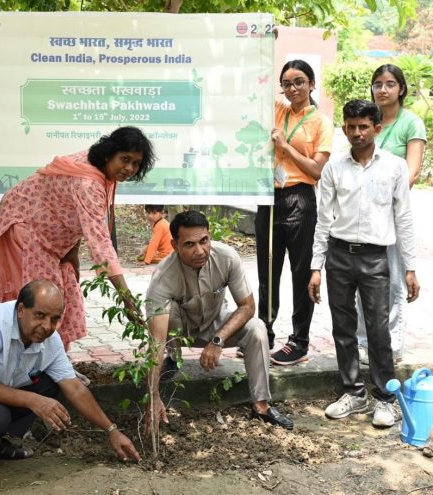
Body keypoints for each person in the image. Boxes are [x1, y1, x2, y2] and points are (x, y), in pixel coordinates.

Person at [0, 280, 140, 488]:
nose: (47, 326)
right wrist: (35, 401)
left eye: (54, 319)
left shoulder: (51, 341)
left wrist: (112, 430)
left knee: (52, 383)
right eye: (39, 315)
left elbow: (75, 387)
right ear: (21, 310)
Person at [0, 126, 155, 350]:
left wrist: (71, 250)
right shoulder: (88, 184)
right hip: (25, 227)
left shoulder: (97, 166)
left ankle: (52, 359)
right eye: (125, 159)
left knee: (62, 287)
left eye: (136, 163)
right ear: (108, 154)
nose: (129, 168)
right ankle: (27, 361)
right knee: (37, 298)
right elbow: (101, 244)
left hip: (51, 234)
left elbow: (74, 212)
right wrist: (127, 299)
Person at [308, 99, 420, 428]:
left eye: (363, 127)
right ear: (344, 128)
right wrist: (316, 267)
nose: (357, 133)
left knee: (378, 329)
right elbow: (323, 220)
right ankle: (353, 393)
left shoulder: (395, 167)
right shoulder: (333, 168)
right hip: (339, 257)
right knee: (342, 327)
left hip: (376, 257)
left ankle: (386, 398)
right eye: (351, 127)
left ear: (376, 128)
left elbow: (404, 219)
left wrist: (410, 267)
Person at [145, 211, 293, 431]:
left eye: (204, 241)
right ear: (175, 245)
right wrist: (153, 397)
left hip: (216, 324)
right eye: (189, 244)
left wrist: (218, 340)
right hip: (179, 331)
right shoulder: (162, 276)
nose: (199, 251)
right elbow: (156, 341)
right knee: (168, 313)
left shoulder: (227, 257)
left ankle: (261, 405)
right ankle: (174, 358)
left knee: (258, 328)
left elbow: (247, 306)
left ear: (209, 236)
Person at [254, 59, 334, 366]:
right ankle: (264, 333)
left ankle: (299, 341)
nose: (292, 88)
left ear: (312, 84)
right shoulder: (278, 110)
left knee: (301, 273)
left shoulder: (321, 122)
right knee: (267, 270)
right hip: (268, 197)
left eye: (299, 81)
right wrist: (261, 44)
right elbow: (254, 84)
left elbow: (315, 170)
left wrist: (286, 147)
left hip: (300, 198)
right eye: (286, 83)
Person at [356, 64, 427, 365]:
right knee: (362, 278)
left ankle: (393, 343)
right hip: (362, 213)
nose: (382, 90)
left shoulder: (412, 123)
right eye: (377, 84)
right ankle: (362, 342)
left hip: (394, 212)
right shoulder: (367, 120)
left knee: (394, 279)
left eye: (389, 84)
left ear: (401, 88)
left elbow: (410, 173)